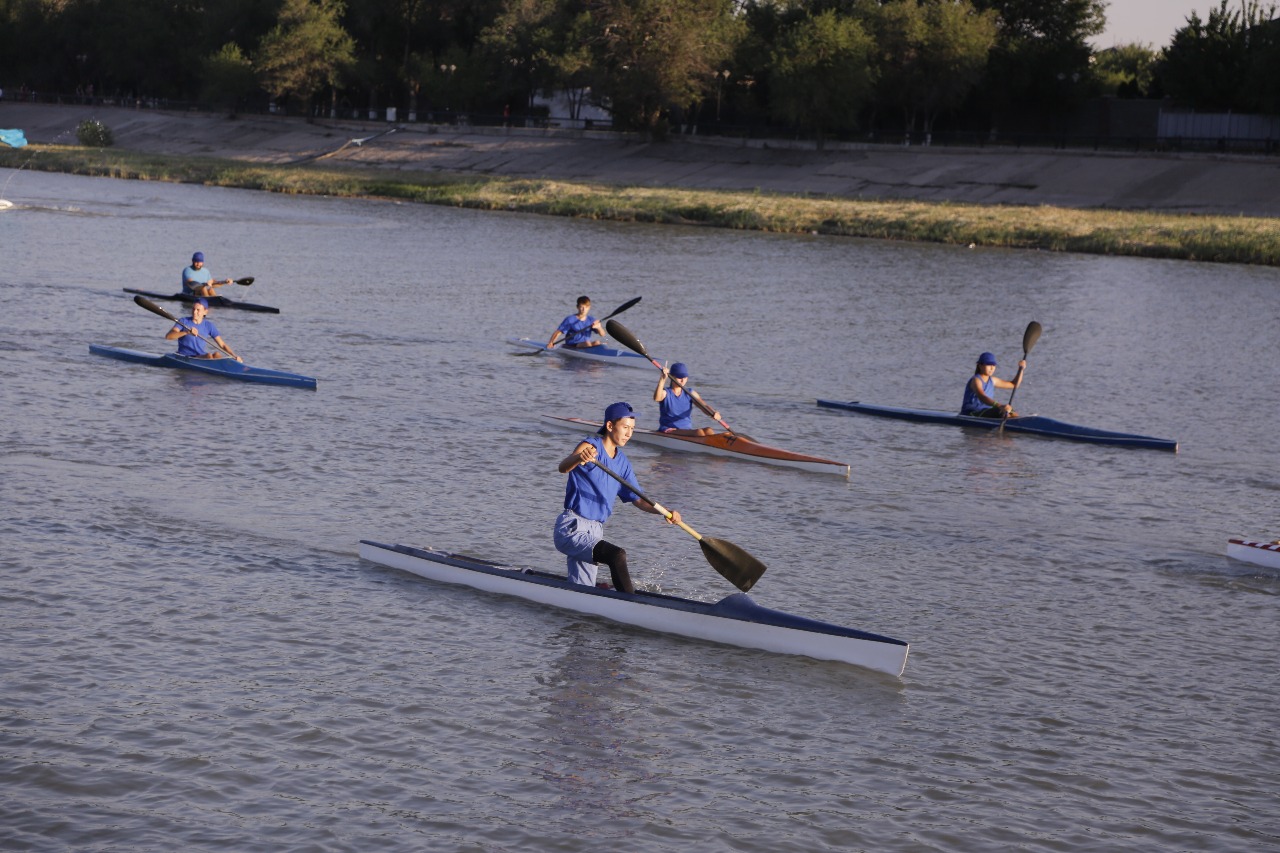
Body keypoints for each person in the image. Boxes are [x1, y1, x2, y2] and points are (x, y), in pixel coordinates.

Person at [553, 401, 681, 594]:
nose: (629, 434)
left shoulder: (623, 463)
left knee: (581, 591)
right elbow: (563, 467)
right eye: (625, 427)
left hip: (595, 531)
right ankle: (632, 605)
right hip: (572, 528)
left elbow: (638, 499)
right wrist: (579, 458)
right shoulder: (591, 445)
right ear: (610, 426)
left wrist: (665, 512)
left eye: (632, 429)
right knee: (617, 555)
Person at [653, 362, 720, 436]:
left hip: (686, 430)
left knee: (709, 430)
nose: (682, 380)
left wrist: (713, 413)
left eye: (684, 377)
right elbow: (657, 398)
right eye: (679, 377)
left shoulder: (690, 393)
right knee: (699, 432)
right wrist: (662, 379)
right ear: (671, 377)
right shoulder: (666, 393)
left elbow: (703, 406)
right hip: (669, 429)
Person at [164, 298, 242, 361]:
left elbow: (222, 345)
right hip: (185, 357)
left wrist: (234, 356)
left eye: (198, 310)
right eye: (193, 309)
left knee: (217, 354)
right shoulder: (183, 321)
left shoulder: (209, 325)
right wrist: (186, 332)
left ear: (205, 312)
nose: (194, 312)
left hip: (200, 356)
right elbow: (168, 336)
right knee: (209, 356)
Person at [961, 351, 1025, 417]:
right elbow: (982, 396)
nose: (992, 368)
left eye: (993, 365)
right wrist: (999, 406)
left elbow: (1014, 385)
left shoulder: (992, 380)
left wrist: (1021, 369)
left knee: (1012, 413)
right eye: (988, 365)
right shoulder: (976, 380)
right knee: (1002, 411)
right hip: (971, 413)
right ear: (980, 365)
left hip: (986, 411)